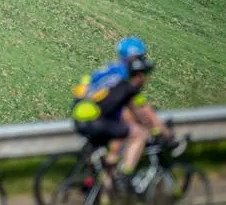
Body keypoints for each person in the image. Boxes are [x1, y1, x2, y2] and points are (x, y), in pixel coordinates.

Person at [71, 51, 165, 194]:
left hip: (80, 116)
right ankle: (123, 176)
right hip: (98, 121)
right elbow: (137, 112)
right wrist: (156, 129)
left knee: (109, 153)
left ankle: (100, 192)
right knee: (136, 135)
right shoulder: (127, 86)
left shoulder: (108, 72)